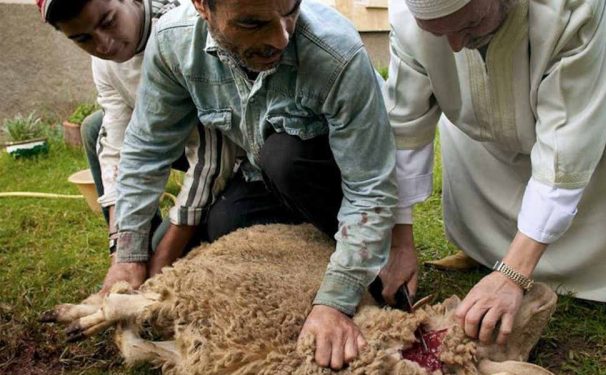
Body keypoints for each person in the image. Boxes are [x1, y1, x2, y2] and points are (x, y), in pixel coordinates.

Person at [380, 0, 606, 343]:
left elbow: (568, 142)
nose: (454, 44)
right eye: (439, 31)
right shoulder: (409, 18)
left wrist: (513, 276)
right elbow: (406, 126)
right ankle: (486, 250)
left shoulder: (575, 6)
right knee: (470, 100)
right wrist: (399, 243)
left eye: (467, 25)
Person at [110, 0, 398, 369]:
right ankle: (313, 254)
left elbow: (370, 184)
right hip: (261, 175)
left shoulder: (335, 52)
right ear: (203, 7)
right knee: (223, 223)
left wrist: (335, 301)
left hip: (328, 179)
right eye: (252, 23)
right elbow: (147, 148)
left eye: (291, 10)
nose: (280, 37)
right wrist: (129, 256)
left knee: (284, 157)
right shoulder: (174, 43)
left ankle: (361, 267)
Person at [38, 0, 240, 293]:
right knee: (95, 127)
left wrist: (163, 261)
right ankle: (140, 250)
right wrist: (122, 250)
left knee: (222, 227)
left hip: (232, 149)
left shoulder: (181, 33)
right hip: (175, 142)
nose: (103, 45)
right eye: (83, 39)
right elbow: (118, 146)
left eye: (108, 22)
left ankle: (162, 248)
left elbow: (213, 157)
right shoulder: (104, 62)